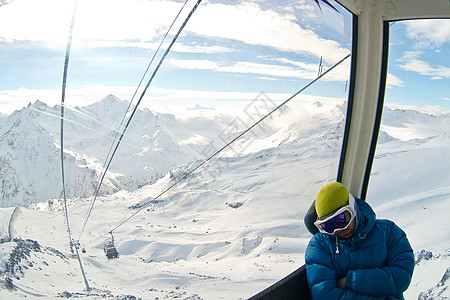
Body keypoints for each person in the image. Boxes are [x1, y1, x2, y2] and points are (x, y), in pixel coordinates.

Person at [305, 182, 414, 299]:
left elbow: (401, 277)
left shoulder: (388, 232)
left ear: (353, 208)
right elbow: (325, 295)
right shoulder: (320, 246)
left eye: (342, 219)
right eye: (329, 225)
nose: (339, 230)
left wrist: (349, 281)